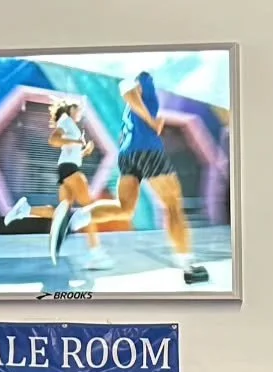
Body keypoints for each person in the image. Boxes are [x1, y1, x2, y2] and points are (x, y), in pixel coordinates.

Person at [84, 70, 208, 283]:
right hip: (147, 150)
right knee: (172, 205)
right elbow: (128, 92)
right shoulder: (143, 76)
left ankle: (76, 218)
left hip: (128, 154)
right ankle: (186, 264)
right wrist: (151, 121)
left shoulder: (142, 91)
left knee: (124, 209)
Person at [3, 101, 110, 270]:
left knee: (62, 215)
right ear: (71, 109)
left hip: (66, 169)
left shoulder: (71, 125)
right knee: (89, 210)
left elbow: (70, 152)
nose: (80, 112)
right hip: (70, 170)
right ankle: (96, 254)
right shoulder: (66, 120)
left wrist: (84, 151)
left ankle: (26, 209)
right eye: (79, 109)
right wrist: (77, 142)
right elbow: (53, 140)